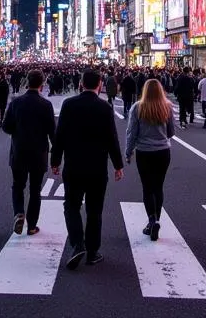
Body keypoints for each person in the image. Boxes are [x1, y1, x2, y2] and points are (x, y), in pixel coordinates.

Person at [51, 70, 124, 269]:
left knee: (71, 206)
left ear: (81, 83)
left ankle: (77, 244)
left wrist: (55, 160)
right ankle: (92, 252)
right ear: (100, 84)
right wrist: (118, 165)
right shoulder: (104, 107)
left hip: (73, 165)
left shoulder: (69, 105)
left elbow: (60, 135)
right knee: (94, 210)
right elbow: (112, 138)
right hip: (97, 167)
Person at [1, 69, 55, 234]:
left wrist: (18, 132)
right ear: (42, 83)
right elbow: (52, 132)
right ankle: (32, 226)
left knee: (18, 185)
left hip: (19, 150)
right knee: (35, 189)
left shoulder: (16, 103)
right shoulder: (46, 105)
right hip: (39, 152)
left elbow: (6, 126)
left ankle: (19, 212)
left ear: (26, 82)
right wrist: (57, 156)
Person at [125, 78, 175, 240]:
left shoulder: (137, 107)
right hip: (163, 151)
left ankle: (151, 220)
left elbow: (132, 132)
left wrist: (128, 151)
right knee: (158, 186)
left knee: (147, 187)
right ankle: (157, 219)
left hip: (144, 151)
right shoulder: (166, 106)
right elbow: (171, 132)